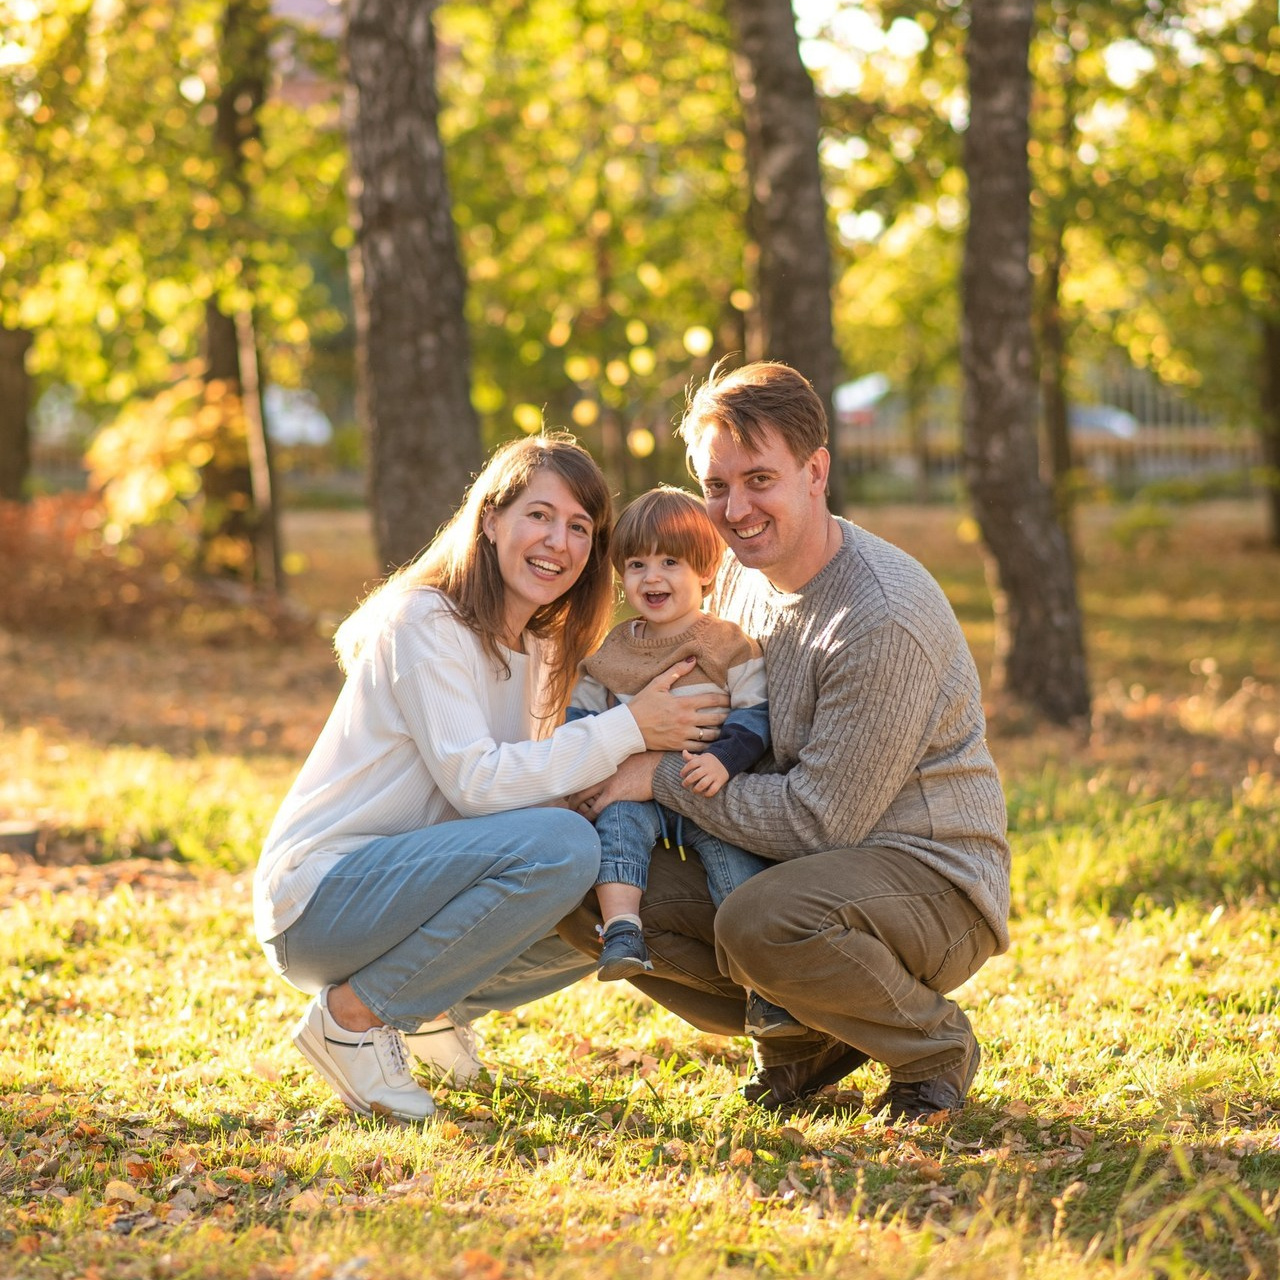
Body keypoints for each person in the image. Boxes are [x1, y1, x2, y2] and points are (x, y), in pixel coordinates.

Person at [562, 361, 1011, 1121]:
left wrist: (656, 778)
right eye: (715, 485)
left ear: (816, 471)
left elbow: (818, 822)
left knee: (763, 921)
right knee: (572, 869)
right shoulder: (733, 578)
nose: (734, 509)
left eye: (758, 479)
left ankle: (932, 1046)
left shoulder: (878, 617)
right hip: (782, 864)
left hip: (928, 879)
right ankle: (809, 1039)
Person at [253, 433, 722, 1122]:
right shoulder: (424, 621)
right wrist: (628, 730)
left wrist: (629, 772)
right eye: (539, 515)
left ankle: (427, 1012)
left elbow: (521, 793)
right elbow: (476, 782)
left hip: (409, 889)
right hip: (323, 900)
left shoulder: (541, 647)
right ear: (491, 520)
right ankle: (352, 1020)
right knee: (562, 847)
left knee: (617, 881)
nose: (558, 542)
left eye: (579, 528)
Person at [566, 486, 802, 1040]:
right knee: (616, 827)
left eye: (670, 562)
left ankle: (764, 991)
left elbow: (755, 714)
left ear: (705, 571)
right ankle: (623, 930)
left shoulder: (727, 644)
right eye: (637, 564)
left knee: (733, 865)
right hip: (633, 787)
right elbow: (581, 716)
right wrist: (589, 767)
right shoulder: (612, 652)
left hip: (704, 786)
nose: (653, 577)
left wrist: (724, 760)